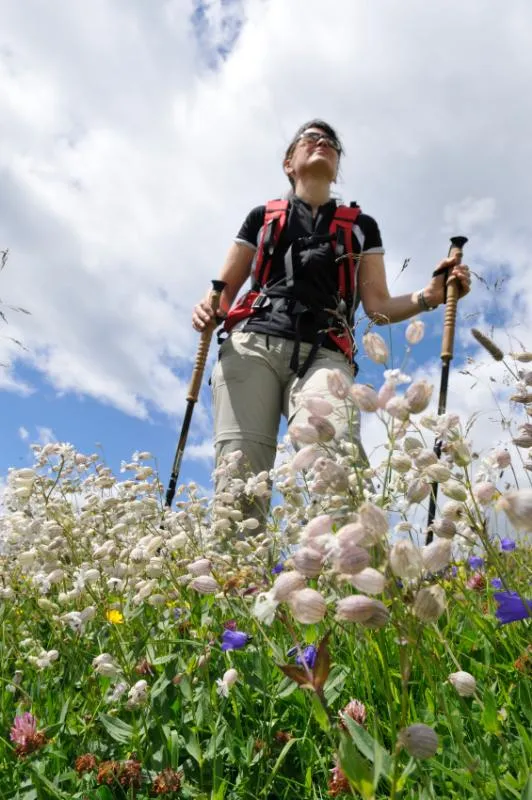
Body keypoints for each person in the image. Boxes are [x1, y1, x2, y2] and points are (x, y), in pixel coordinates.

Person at [192, 119, 471, 510]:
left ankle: (344, 549)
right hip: (251, 344)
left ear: (336, 168)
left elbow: (378, 307)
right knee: (239, 476)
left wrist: (430, 296)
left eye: (330, 142)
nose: (322, 142)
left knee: (337, 460)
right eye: (310, 138)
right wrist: (207, 309)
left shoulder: (361, 227)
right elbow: (222, 296)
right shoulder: (262, 217)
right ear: (289, 163)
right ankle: (237, 553)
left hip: (325, 352)